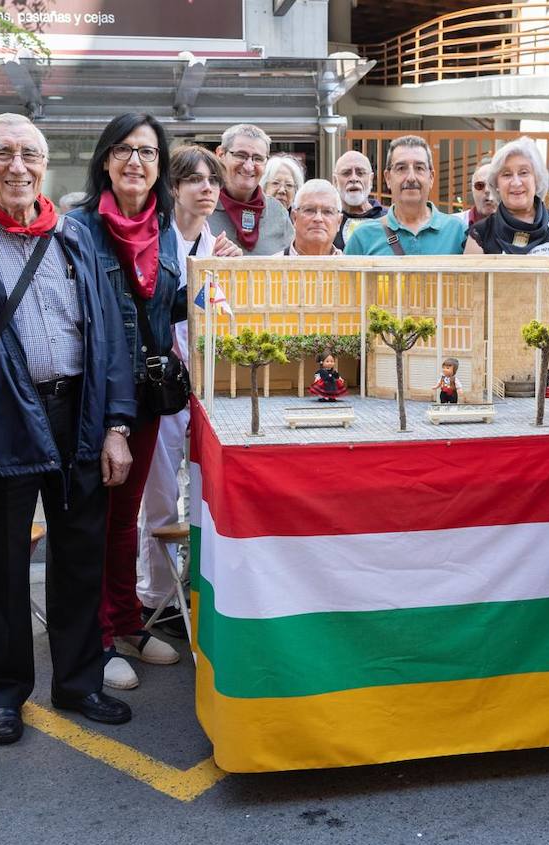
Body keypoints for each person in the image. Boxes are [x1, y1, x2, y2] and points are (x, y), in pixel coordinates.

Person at [0, 112, 134, 744]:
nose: (17, 165)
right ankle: (5, 692)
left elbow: (107, 334)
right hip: (0, 416)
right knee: (1, 558)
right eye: (2, 152)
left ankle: (80, 681)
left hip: (75, 408)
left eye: (29, 152)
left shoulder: (73, 235)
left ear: (45, 163)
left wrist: (116, 424)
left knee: (80, 552)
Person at [66, 113, 187, 691]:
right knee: (94, 517)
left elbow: (168, 310)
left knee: (124, 517)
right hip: (91, 398)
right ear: (105, 161)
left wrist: (216, 276)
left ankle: (127, 622)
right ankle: (98, 636)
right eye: (123, 150)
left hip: (143, 398)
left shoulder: (167, 232)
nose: (135, 161)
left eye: (147, 152)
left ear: (159, 165)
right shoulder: (78, 229)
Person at [135, 146, 240, 638]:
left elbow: (222, 317)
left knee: (204, 492)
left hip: (207, 384)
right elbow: (156, 311)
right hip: (161, 384)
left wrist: (228, 275)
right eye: (194, 180)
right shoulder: (154, 244)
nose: (206, 189)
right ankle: (154, 597)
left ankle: (196, 590)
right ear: (172, 188)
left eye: (213, 182)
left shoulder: (217, 246)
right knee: (158, 494)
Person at [465, 137, 549, 393]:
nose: (516, 182)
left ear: (537, 180)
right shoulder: (480, 235)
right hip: (502, 364)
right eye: (507, 174)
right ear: (496, 184)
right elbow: (471, 305)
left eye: (524, 172)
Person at [344, 135, 466, 256]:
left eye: (419, 168)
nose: (411, 178)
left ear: (431, 177)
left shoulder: (457, 232)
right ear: (388, 178)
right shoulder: (364, 236)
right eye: (401, 168)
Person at [208, 124, 294, 255]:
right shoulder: (203, 207)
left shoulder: (278, 213)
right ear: (220, 154)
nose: (249, 166)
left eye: (258, 158)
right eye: (241, 155)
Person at [332, 150, 385, 250]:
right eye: (346, 173)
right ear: (335, 181)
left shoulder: (389, 218)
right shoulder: (328, 221)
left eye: (360, 173)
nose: (353, 178)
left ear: (371, 179)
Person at [285, 179, 343, 257]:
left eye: (327, 212)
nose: (318, 218)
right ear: (294, 218)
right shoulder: (268, 267)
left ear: (339, 222)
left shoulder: (354, 268)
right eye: (309, 210)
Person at [453, 159, 498, 228]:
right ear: (472, 188)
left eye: (492, 184)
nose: (487, 190)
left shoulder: (517, 226)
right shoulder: (451, 225)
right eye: (480, 185)